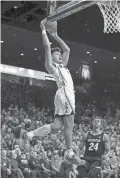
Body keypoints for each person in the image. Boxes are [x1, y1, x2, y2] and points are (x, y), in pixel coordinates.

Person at [26, 18, 84, 165]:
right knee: (69, 123)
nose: (59, 55)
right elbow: (46, 47)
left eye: (59, 55)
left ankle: (31, 133)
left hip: (65, 96)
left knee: (57, 125)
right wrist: (43, 30)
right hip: (64, 95)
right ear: (52, 58)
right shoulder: (52, 66)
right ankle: (69, 152)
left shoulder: (63, 66)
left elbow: (67, 50)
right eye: (56, 55)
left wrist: (55, 35)